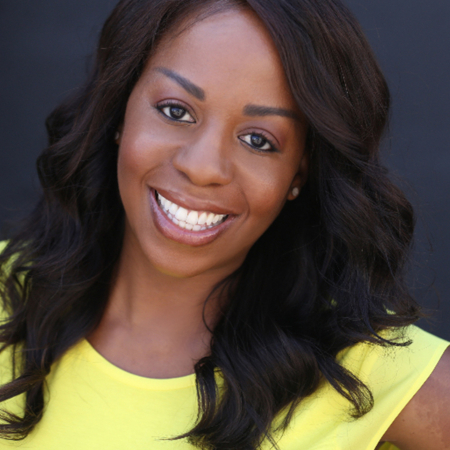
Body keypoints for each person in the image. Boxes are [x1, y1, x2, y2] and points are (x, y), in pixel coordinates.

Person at [0, 0, 449, 448]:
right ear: (120, 109)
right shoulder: (7, 294)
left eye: (258, 140)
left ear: (299, 173)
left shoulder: (367, 374)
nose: (203, 167)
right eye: (176, 111)